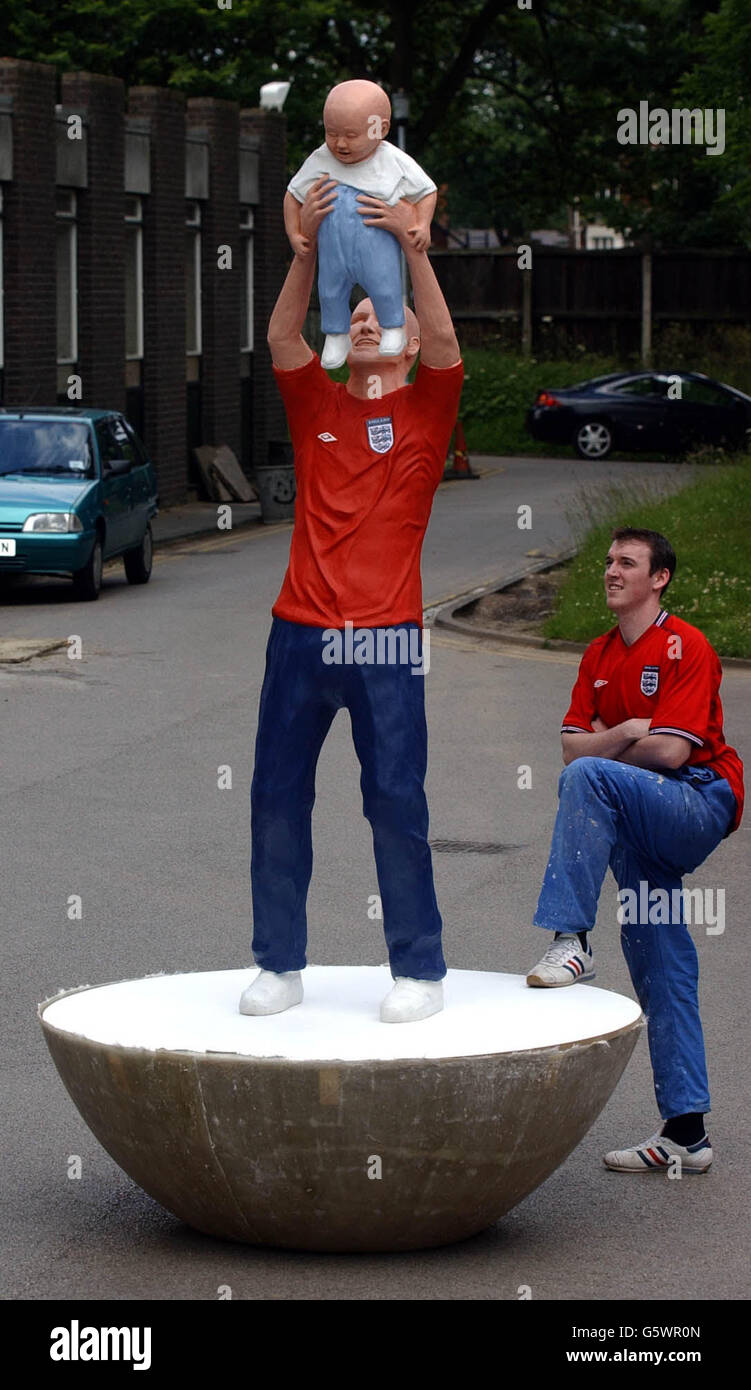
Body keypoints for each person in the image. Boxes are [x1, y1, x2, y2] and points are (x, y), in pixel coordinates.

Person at [239, 173, 463, 1023]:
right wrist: (303, 257)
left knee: (395, 797)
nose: (366, 317)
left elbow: (442, 336)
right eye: (357, 311)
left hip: (385, 638)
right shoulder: (315, 408)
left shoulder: (427, 412)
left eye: (382, 315)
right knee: (274, 793)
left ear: (403, 345)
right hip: (298, 630)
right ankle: (277, 963)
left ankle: (417, 969)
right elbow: (281, 335)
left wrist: (411, 251)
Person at [526, 528, 744, 1172]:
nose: (611, 571)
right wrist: (625, 731)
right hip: (637, 810)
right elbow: (569, 743)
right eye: (608, 562)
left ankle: (571, 939)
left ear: (660, 579)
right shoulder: (596, 654)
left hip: (696, 800)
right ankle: (687, 1133)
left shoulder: (686, 645)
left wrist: (602, 745)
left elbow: (673, 751)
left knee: (588, 778)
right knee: (660, 960)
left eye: (628, 563)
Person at [284, 79, 437, 369]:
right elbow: (292, 195)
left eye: (351, 135)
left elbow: (427, 191)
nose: (340, 144)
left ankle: (393, 328)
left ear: (381, 129)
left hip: (375, 242)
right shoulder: (320, 159)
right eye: (332, 133)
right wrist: (295, 232)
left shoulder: (391, 160)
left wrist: (423, 224)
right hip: (333, 247)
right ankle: (336, 335)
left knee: (385, 285)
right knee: (330, 290)